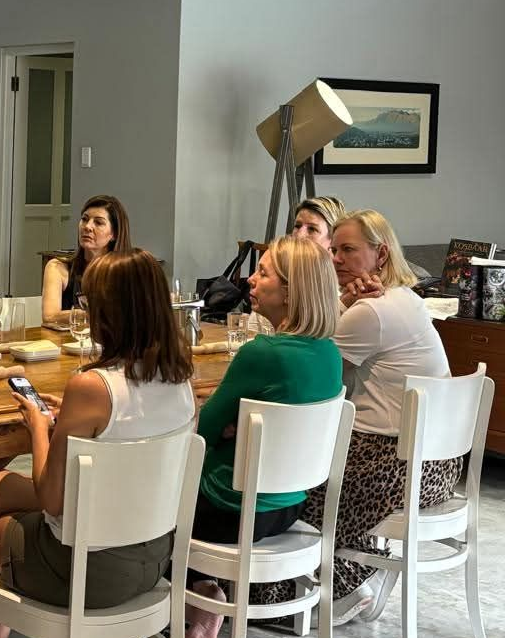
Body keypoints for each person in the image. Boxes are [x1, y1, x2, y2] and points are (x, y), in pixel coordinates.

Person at [0, 249, 195, 638]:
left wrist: (40, 428)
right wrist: (71, 422)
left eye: (90, 301)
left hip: (88, 572)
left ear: (111, 312)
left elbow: (51, 500)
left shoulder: (92, 387)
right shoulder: (181, 382)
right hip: (155, 558)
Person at [266, 210, 459, 626]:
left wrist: (342, 302)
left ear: (381, 253)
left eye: (348, 250)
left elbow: (308, 368)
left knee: (288, 488)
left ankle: (331, 590)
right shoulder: (403, 299)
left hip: (394, 464)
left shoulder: (371, 312)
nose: (335, 258)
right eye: (333, 249)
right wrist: (344, 299)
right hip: (436, 463)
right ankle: (347, 581)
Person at [186, 236, 343, 638]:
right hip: (290, 505)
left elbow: (200, 435)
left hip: (230, 509)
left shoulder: (263, 353)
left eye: (264, 272)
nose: (250, 280)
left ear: (291, 291)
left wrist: (224, 429)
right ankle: (199, 593)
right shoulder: (329, 352)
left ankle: (178, 599)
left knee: (144, 497)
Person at [247, 195, 346, 335]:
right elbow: (253, 341)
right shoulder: (273, 289)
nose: (299, 235)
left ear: (333, 241)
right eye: (297, 226)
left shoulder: (341, 295)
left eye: (312, 229)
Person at [41, 194, 132, 325]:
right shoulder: (57, 267)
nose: (87, 227)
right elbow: (50, 316)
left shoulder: (125, 270)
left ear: (114, 234)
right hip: (69, 342)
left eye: (98, 222)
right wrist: (96, 314)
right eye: (84, 219)